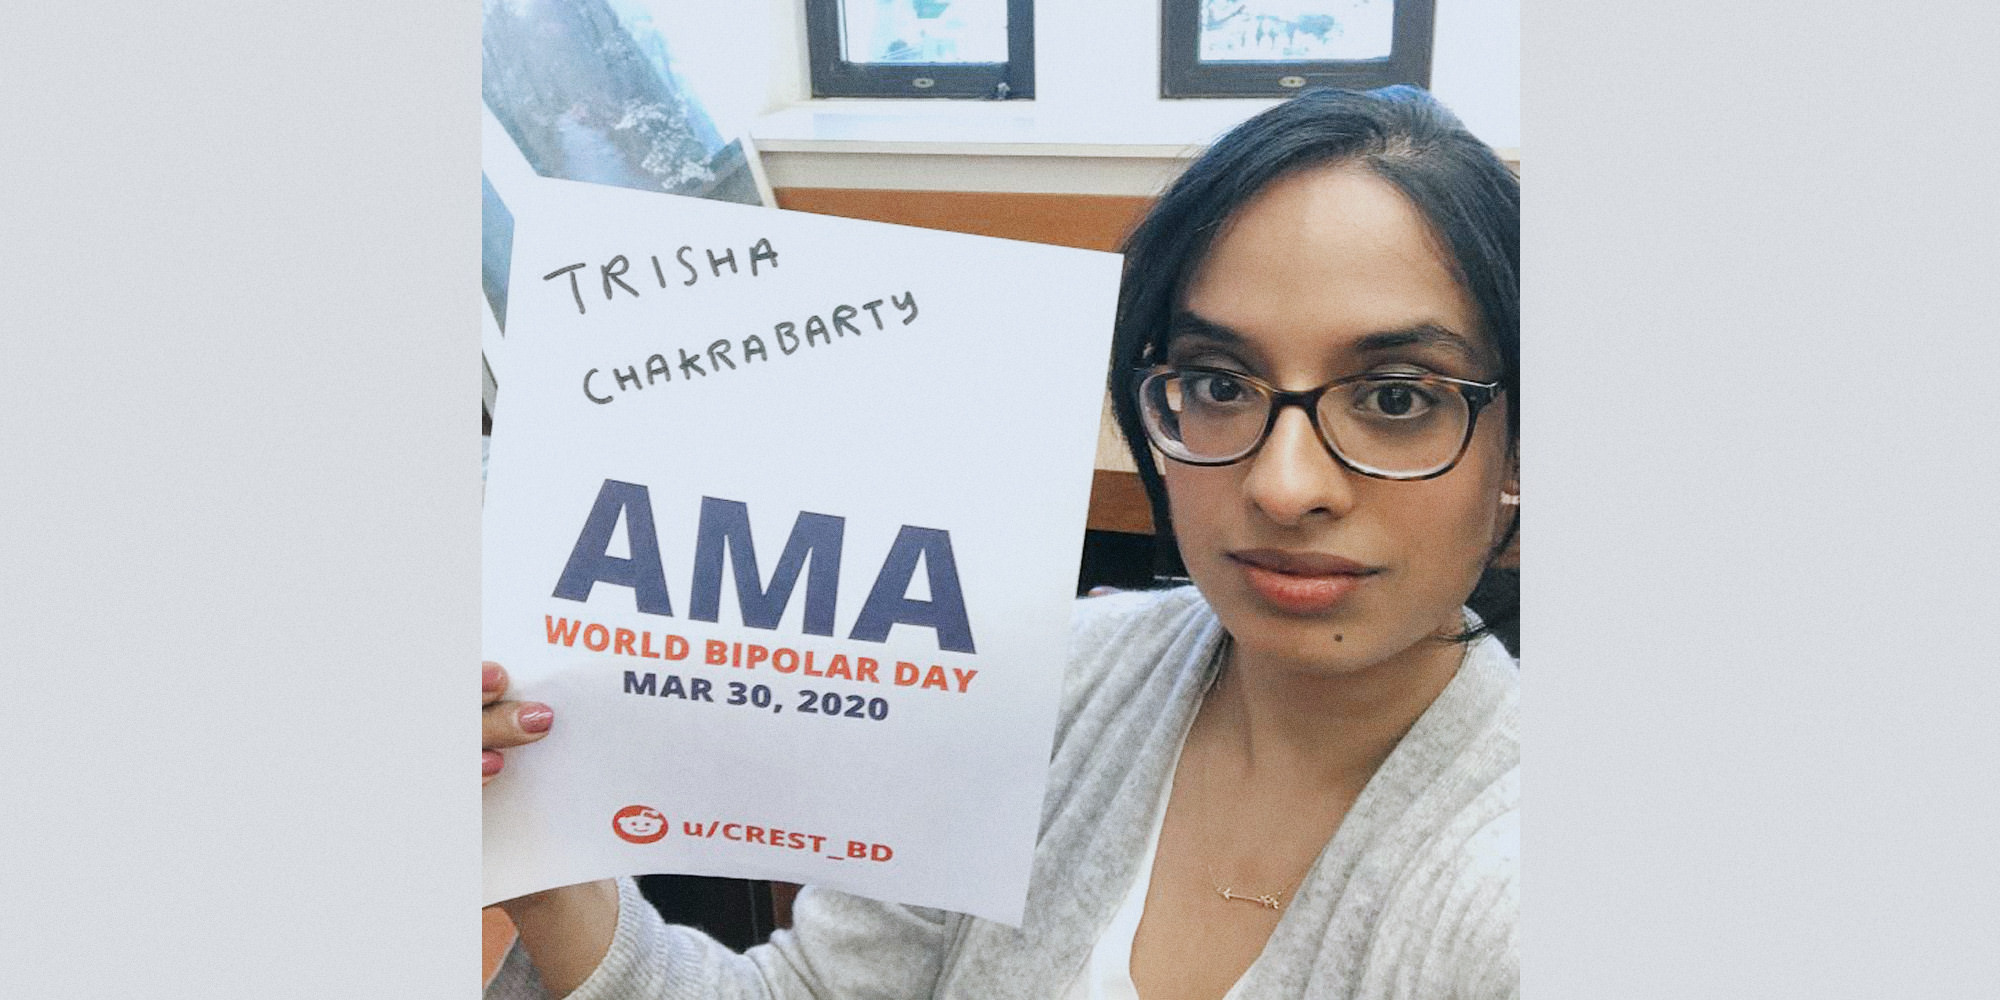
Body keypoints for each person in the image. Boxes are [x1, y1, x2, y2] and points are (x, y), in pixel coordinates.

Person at [482, 84, 1519, 1000]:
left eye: (1394, 398)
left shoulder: (1516, 892)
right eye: (1215, 384)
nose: (1283, 484)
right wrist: (544, 867)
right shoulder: (1041, 687)